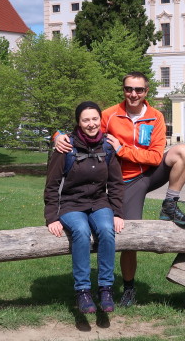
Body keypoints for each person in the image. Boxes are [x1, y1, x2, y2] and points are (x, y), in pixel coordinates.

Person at [54, 72, 185, 308]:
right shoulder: (109, 114)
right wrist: (56, 136)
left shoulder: (155, 116)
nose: (133, 94)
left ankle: (170, 203)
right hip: (126, 182)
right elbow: (82, 127)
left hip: (150, 172)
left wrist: (122, 149)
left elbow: (154, 156)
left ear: (146, 92)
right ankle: (129, 287)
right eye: (129, 89)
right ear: (124, 90)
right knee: (129, 236)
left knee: (184, 153)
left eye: (139, 90)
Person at [45, 101, 125, 314]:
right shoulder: (66, 148)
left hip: (100, 203)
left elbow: (116, 184)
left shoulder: (108, 147)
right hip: (72, 205)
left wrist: (117, 213)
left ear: (101, 119)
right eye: (86, 120)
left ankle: (106, 288)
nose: (91, 124)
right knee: (80, 231)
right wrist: (52, 218)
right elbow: (52, 185)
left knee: (107, 230)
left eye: (95, 119)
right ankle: (83, 291)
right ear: (79, 123)